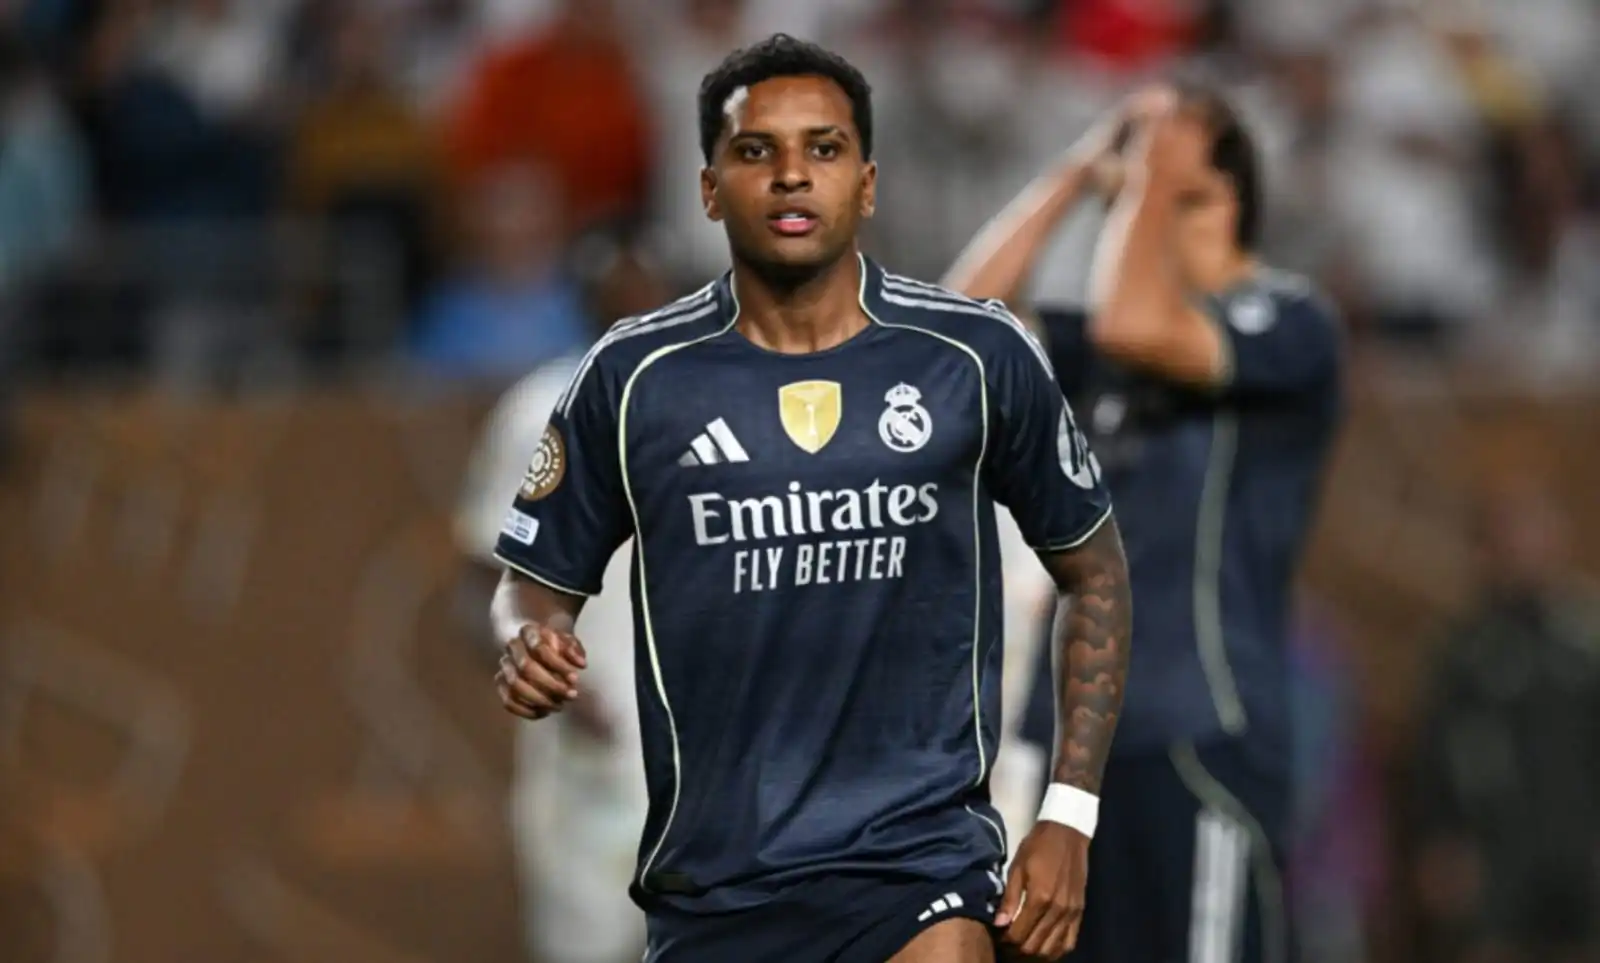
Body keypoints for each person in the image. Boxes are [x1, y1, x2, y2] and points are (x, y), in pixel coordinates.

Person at [492, 34, 1132, 963]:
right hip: (716, 884)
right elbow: (531, 580)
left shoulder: (974, 356)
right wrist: (527, 636)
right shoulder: (634, 379)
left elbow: (1096, 568)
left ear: (866, 184)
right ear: (709, 189)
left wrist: (1069, 813)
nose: (792, 174)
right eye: (757, 151)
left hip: (920, 863)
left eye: (823, 149)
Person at [944, 84, 1344, 963]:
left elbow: (1136, 323)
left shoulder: (1286, 321)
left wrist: (1157, 164)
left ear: (1222, 189)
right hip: (1075, 755)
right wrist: (1075, 171)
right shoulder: (1101, 354)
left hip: (1202, 730)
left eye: (1163, 160)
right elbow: (958, 330)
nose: (1138, 173)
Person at [454, 235, 674, 963]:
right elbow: (480, 586)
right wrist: (548, 676)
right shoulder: (539, 412)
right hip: (591, 741)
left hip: (708, 744)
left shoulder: (716, 401)